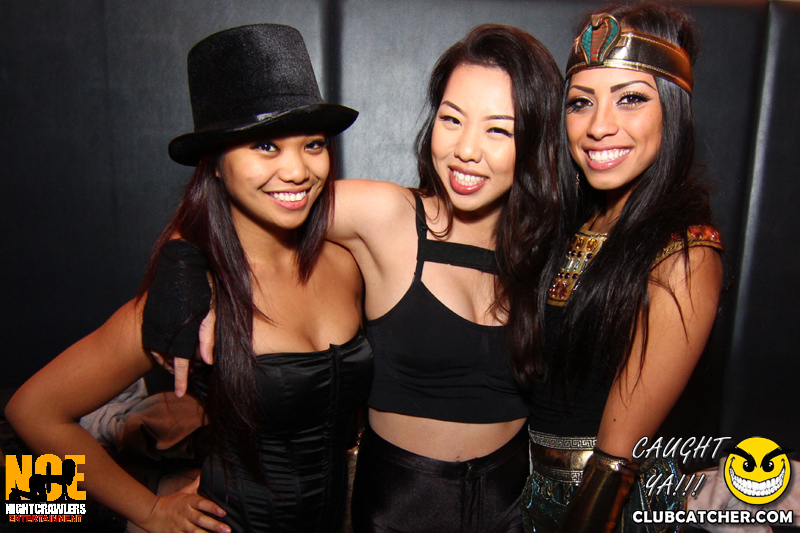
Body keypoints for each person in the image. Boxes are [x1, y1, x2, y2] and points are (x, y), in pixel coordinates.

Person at [145, 24, 567, 532]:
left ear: (536, 138)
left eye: (498, 130)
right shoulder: (386, 216)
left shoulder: (556, 247)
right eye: (451, 119)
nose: (466, 149)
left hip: (513, 510)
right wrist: (182, 266)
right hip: (398, 509)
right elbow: (238, 204)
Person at [5, 23, 371, 533]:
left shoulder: (346, 261)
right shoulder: (192, 296)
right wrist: (149, 510)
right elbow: (32, 410)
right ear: (215, 164)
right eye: (265, 145)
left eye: (313, 144)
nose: (297, 170)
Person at [510, 4, 724, 532]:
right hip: (532, 492)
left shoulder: (684, 253)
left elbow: (616, 461)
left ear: (672, 111)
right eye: (580, 103)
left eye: (630, 99)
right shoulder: (567, 227)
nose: (599, 126)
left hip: (612, 508)